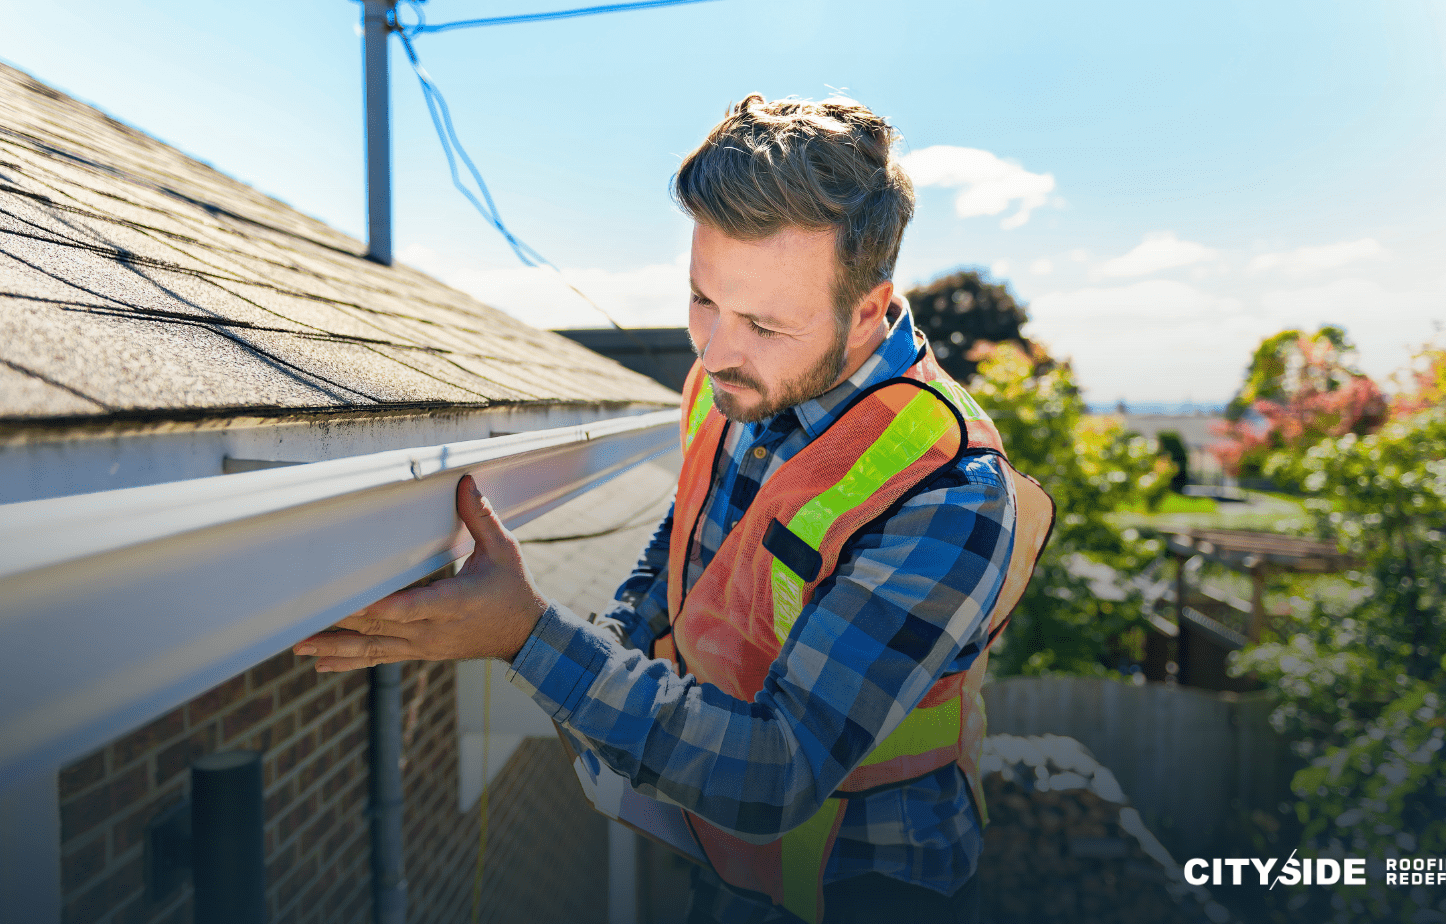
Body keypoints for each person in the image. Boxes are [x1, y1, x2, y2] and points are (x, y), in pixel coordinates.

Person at [294, 93, 1053, 924]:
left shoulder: (947, 490)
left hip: (873, 888)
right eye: (703, 300)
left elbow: (776, 773)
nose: (717, 351)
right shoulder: (726, 384)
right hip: (723, 864)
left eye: (764, 323)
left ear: (867, 309)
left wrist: (529, 639)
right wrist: (611, 643)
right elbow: (686, 537)